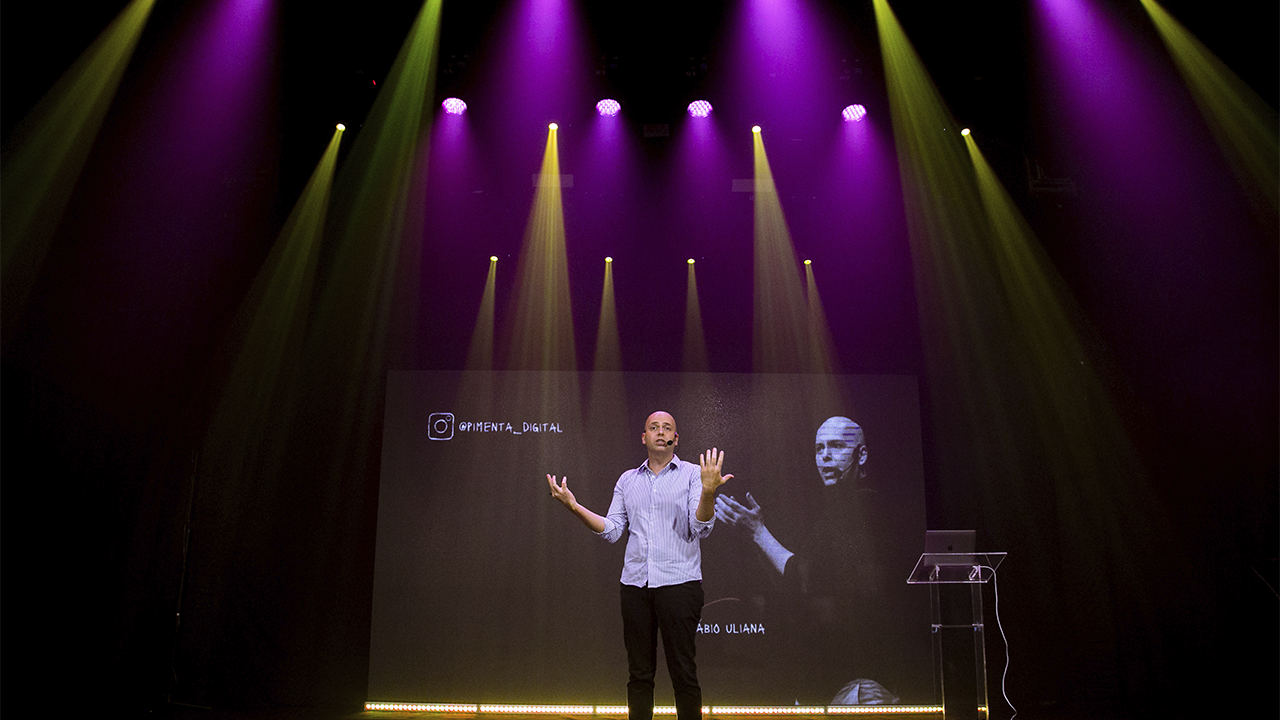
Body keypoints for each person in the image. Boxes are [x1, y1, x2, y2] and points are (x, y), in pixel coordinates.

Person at [547, 411, 732, 720]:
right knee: (639, 675)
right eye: (654, 427)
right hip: (635, 587)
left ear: (676, 439)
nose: (661, 432)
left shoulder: (691, 474)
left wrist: (708, 492)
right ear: (644, 437)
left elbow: (700, 528)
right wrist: (574, 506)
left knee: (684, 673)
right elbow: (612, 531)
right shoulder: (627, 480)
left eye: (667, 428)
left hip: (679, 585)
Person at [713, 416, 900, 705]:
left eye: (836, 446)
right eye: (819, 448)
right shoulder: (836, 512)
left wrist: (758, 532)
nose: (825, 456)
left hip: (858, 685)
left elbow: (809, 580)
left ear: (861, 455)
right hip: (835, 680)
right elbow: (800, 584)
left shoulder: (865, 507)